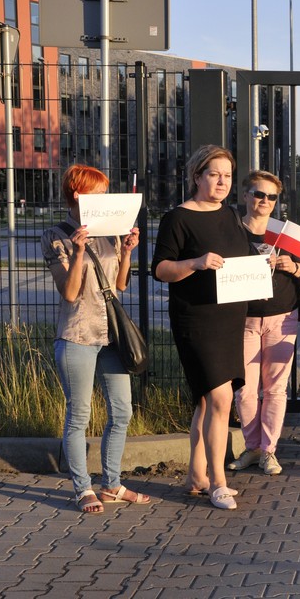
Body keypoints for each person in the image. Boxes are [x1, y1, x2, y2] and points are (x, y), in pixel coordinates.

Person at [41, 164, 149, 514]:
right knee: (79, 415)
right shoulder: (55, 235)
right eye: (97, 193)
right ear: (77, 195)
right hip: (76, 336)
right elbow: (70, 294)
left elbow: (119, 286)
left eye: (105, 192)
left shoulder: (111, 232)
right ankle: (83, 488)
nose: (103, 198)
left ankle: (112, 484)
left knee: (122, 411)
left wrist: (128, 250)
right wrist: (75, 253)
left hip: (110, 336)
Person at [153, 145, 252, 509]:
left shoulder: (229, 215)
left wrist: (263, 263)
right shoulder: (177, 218)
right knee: (221, 397)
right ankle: (218, 482)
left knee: (207, 400)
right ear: (197, 176)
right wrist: (195, 262)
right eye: (215, 174)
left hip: (228, 318)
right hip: (195, 318)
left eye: (227, 174)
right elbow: (161, 269)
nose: (222, 181)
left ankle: (197, 474)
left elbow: (239, 260)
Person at [227, 171, 300, 476]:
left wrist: (295, 266)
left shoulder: (284, 234)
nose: (264, 201)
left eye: (271, 197)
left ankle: (268, 451)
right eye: (258, 194)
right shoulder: (232, 231)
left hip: (282, 317)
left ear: (276, 202)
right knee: (245, 390)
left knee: (276, 389)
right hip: (244, 318)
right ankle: (252, 448)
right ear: (246, 196)